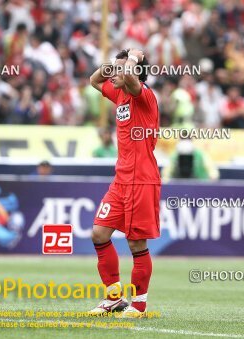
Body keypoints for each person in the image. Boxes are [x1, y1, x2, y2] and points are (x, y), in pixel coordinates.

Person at [88, 48, 161, 318]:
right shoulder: (118, 94)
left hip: (142, 180)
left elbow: (130, 75)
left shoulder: (146, 97)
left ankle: (139, 305)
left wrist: (130, 60)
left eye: (120, 70)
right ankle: (113, 298)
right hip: (121, 180)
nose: (114, 73)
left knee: (136, 244)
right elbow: (95, 81)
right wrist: (115, 63)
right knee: (99, 234)